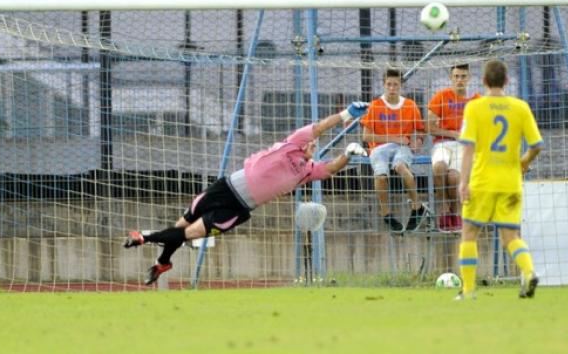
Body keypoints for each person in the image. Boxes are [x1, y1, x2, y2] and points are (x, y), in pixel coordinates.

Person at [123, 102, 369, 285]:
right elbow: (322, 126)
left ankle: (143, 237)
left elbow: (330, 170)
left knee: (191, 232)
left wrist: (348, 154)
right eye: (312, 141)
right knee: (181, 224)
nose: (312, 144)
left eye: (314, 145)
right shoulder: (293, 143)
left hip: (238, 208)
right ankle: (162, 263)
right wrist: (346, 114)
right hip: (225, 186)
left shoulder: (307, 171)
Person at [457, 59, 543, 300]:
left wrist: (463, 182)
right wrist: (524, 161)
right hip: (510, 182)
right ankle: (528, 271)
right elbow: (537, 145)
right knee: (511, 237)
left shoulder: (474, 108)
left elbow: (467, 149)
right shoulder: (520, 108)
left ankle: (468, 290)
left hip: (482, 181)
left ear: (483, 81)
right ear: (506, 81)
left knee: (469, 233)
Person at [360, 68, 428, 232]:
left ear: (401, 86)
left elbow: (421, 130)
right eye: (389, 84)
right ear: (384, 85)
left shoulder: (410, 106)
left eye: (395, 85)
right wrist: (393, 138)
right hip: (379, 148)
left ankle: (417, 206)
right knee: (381, 175)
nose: (392, 88)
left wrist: (418, 142)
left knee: (401, 167)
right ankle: (386, 214)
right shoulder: (375, 106)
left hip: (402, 147)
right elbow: (366, 136)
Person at [427, 63, 480, 231]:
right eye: (456, 76)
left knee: (454, 178)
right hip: (442, 143)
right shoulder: (441, 97)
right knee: (439, 167)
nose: (459, 80)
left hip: (463, 148)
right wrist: (452, 133)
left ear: (469, 78)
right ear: (451, 78)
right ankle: (443, 209)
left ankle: (455, 213)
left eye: (463, 76)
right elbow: (428, 127)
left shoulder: (476, 99)